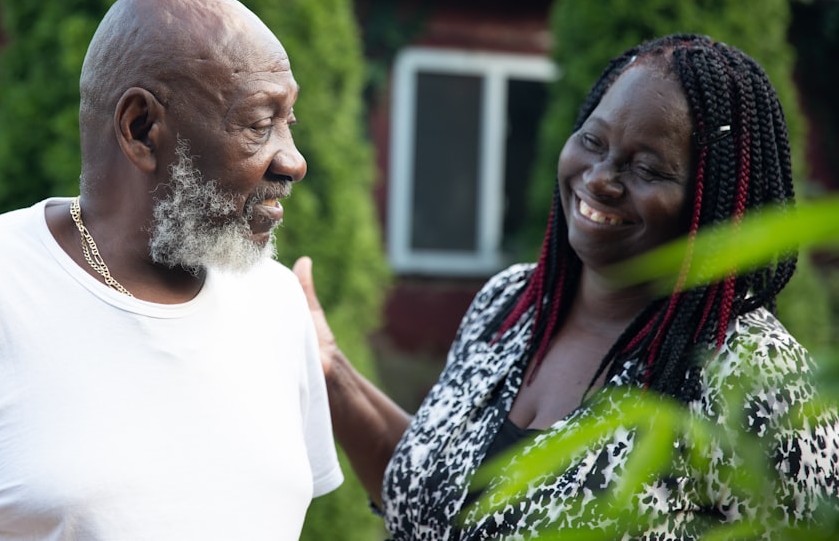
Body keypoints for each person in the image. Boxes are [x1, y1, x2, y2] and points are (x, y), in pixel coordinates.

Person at [0, 0, 343, 540]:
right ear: (141, 130)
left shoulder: (276, 303)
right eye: (257, 124)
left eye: (286, 121)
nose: (293, 162)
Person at [294, 33, 839, 540]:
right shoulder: (511, 304)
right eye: (593, 141)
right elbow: (427, 496)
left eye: (647, 168)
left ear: (716, 204)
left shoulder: (759, 379)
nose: (600, 177)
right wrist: (329, 370)